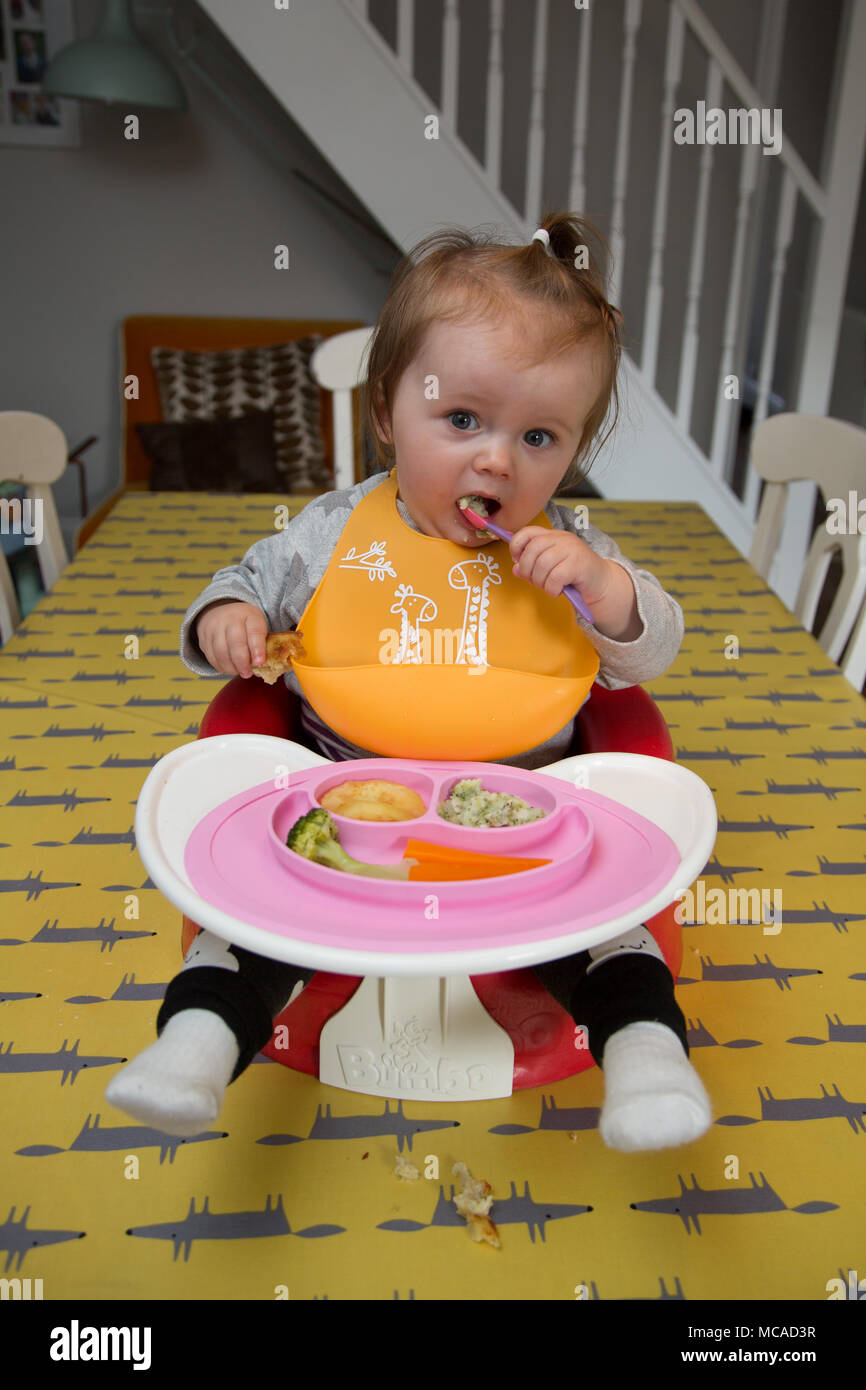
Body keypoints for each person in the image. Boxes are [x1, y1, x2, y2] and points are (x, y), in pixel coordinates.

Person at [106, 214, 711, 1151]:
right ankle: (194, 1050)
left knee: (612, 933)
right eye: (462, 420)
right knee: (252, 924)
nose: (498, 459)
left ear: (576, 446)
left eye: (540, 435)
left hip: (526, 822)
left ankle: (646, 1064)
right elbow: (243, 581)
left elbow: (645, 656)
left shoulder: (572, 551)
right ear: (389, 413)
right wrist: (227, 621)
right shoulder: (332, 528)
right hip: (339, 806)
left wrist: (609, 591)